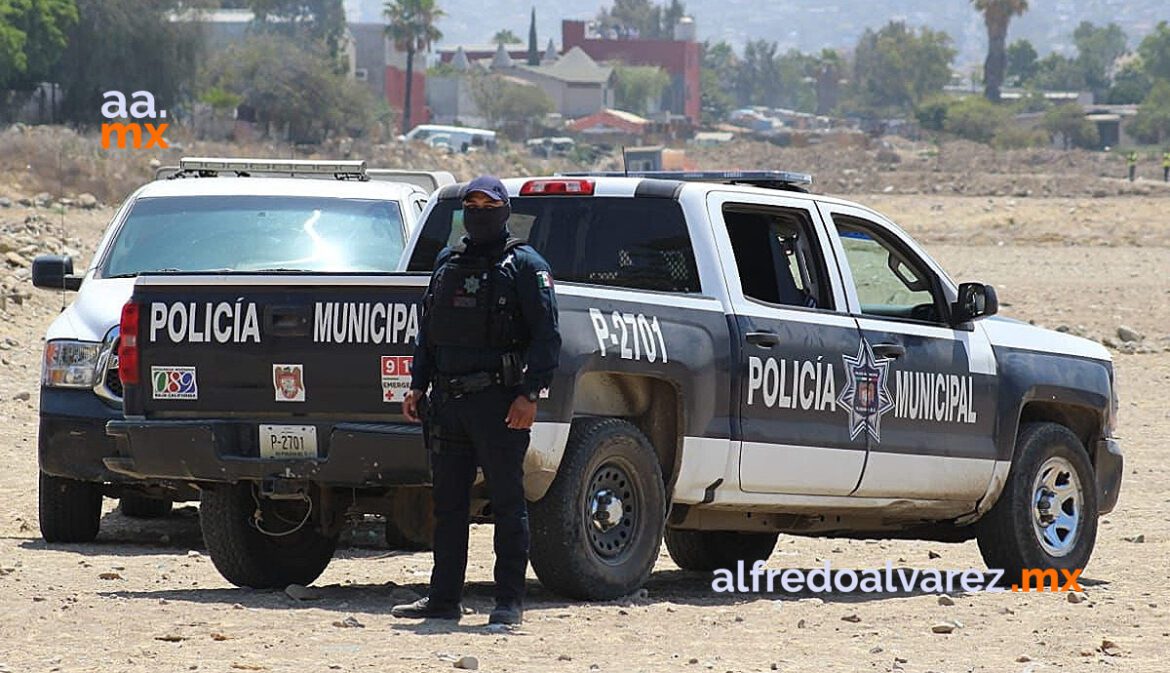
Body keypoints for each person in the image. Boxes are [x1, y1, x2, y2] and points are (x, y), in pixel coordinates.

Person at [393, 176, 561, 626]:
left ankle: (509, 603)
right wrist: (417, 384)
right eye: (472, 203)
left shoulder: (525, 266)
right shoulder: (448, 261)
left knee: (507, 503)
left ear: (505, 211)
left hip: (500, 403)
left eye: (489, 203)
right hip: (447, 402)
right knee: (448, 506)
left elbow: (547, 338)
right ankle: (443, 600)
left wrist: (530, 395)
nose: (479, 210)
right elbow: (429, 332)